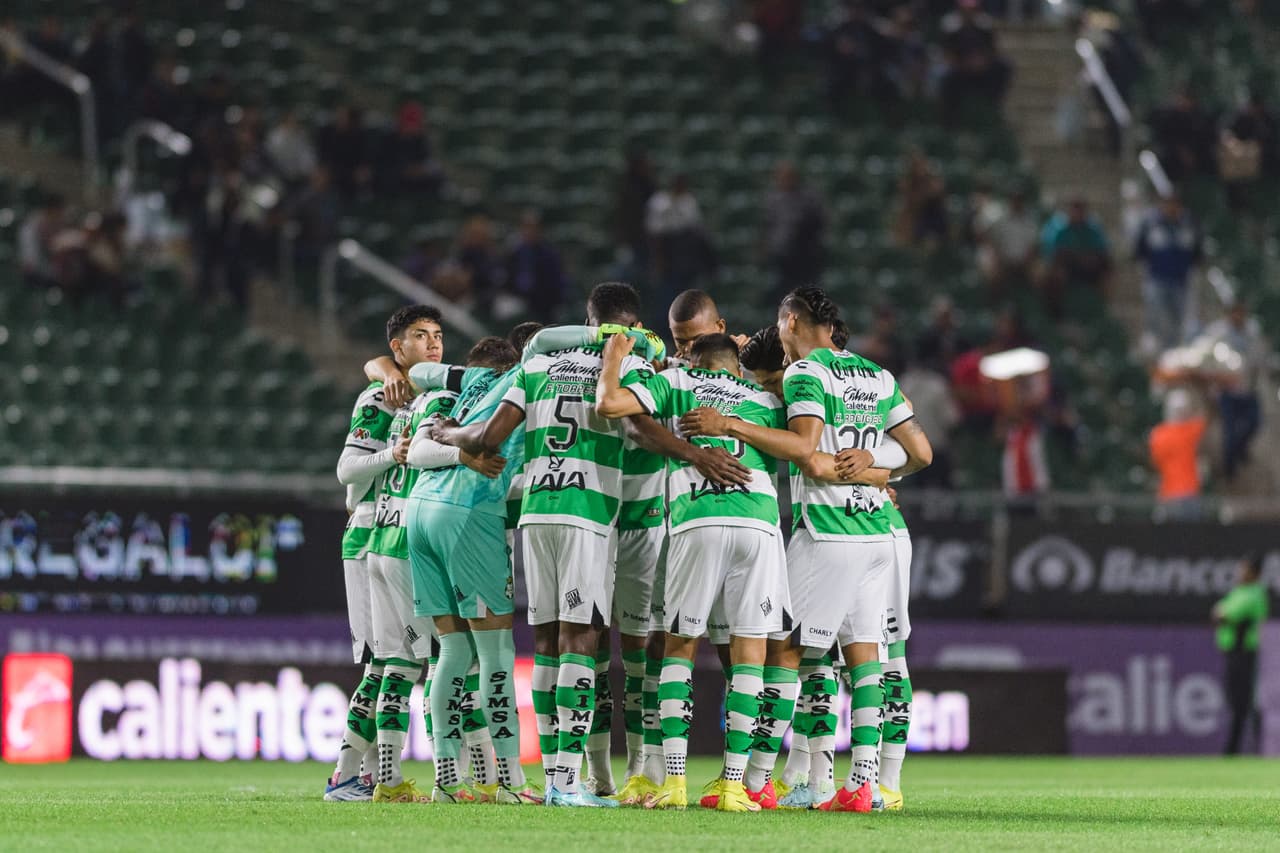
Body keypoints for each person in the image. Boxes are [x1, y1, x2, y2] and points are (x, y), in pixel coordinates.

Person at [428, 282, 747, 807]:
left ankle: (561, 773)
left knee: (549, 644)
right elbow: (643, 432)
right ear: (632, 324)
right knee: (584, 640)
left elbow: (488, 435)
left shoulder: (536, 367)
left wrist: (447, 434)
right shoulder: (629, 366)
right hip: (591, 515)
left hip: (535, 513)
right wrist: (695, 453)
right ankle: (567, 782)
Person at [680, 286, 933, 812]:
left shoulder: (805, 374)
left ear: (792, 321)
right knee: (867, 655)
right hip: (879, 532)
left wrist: (730, 422)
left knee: (782, 651)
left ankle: (755, 782)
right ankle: (864, 785)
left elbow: (809, 457)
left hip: (830, 530)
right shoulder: (875, 374)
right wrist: (878, 470)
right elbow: (923, 454)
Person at [400, 336, 544, 804]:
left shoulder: (465, 384)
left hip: (417, 511)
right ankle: (510, 783)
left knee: (452, 651)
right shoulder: (526, 381)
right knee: (497, 652)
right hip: (468, 511)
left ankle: (446, 779)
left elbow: (418, 375)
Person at [326, 304, 445, 803]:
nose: (434, 343)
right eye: (421, 335)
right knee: (390, 662)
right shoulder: (380, 397)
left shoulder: (431, 395)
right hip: (369, 535)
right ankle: (349, 776)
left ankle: (360, 775)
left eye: (438, 334)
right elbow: (346, 470)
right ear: (398, 348)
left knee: (386, 663)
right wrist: (390, 454)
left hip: (392, 537)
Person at [1203, 301, 1269, 481]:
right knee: (1229, 433)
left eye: (1241, 313)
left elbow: (1260, 360)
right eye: (1234, 313)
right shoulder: (1217, 334)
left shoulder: (1253, 332)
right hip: (1227, 393)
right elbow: (1207, 362)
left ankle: (1241, 450)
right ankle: (1229, 470)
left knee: (1255, 424)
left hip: (1248, 390)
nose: (1238, 317)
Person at [1212, 554, 1270, 754]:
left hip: (1243, 652)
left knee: (1242, 702)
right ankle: (1243, 747)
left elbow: (1224, 615)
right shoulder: (1240, 591)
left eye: (1245, 568)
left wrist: (1221, 614)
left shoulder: (1253, 593)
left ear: (1255, 572)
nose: (1240, 572)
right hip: (1235, 652)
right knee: (1239, 701)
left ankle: (1241, 748)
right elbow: (1219, 614)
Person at [1134, 194, 1201, 351]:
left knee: (1177, 318)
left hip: (1180, 281)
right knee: (1155, 314)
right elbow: (1139, 250)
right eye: (1168, 205)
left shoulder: (1189, 224)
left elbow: (1197, 252)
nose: (1172, 209)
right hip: (1156, 278)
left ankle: (1173, 351)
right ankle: (1154, 349)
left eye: (1175, 205)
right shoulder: (1151, 224)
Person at [938, 0, 1011, 125]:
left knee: (1003, 66)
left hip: (982, 68)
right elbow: (947, 53)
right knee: (945, 76)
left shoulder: (984, 26)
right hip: (959, 68)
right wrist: (962, 63)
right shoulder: (950, 27)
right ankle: (950, 120)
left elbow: (992, 50)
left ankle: (990, 108)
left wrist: (982, 61)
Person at [646, 174, 711, 313]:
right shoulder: (659, 202)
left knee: (688, 298)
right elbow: (655, 235)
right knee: (666, 298)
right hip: (666, 253)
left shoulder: (689, 202)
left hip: (686, 255)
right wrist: (658, 261)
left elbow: (696, 230)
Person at [762, 162, 826, 299]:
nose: (783, 181)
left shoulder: (808, 199)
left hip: (806, 257)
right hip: (781, 258)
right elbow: (768, 227)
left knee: (808, 296)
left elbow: (818, 224)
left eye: (787, 177)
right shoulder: (773, 200)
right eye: (780, 177)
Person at [1040, 198, 1111, 318]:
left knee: (1108, 270)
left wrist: (1088, 259)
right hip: (1069, 268)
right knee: (1056, 272)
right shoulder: (1061, 230)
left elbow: (1102, 252)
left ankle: (1102, 308)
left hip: (1090, 268)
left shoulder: (1093, 230)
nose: (1077, 214)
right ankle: (1057, 311)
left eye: (1080, 210)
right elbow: (1055, 253)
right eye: (1074, 210)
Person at [1149, 389, 1206, 521]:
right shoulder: (1190, 430)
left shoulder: (1158, 434)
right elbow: (1203, 415)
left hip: (1174, 494)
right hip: (1183, 494)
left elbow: (1155, 462)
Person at [503, 210, 567, 322]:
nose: (529, 231)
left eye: (533, 227)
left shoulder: (549, 254)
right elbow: (507, 278)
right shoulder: (515, 252)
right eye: (526, 227)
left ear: (540, 230)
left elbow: (555, 284)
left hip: (543, 303)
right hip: (518, 299)